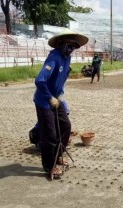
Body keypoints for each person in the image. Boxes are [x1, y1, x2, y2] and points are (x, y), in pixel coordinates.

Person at [33, 29, 88, 178]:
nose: (70, 48)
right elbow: (40, 80)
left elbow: (61, 78)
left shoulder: (66, 58)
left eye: (73, 46)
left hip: (56, 99)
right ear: (61, 44)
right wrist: (50, 98)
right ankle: (49, 166)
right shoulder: (54, 57)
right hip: (44, 101)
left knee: (66, 126)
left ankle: (57, 155)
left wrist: (59, 94)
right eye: (68, 44)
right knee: (49, 134)